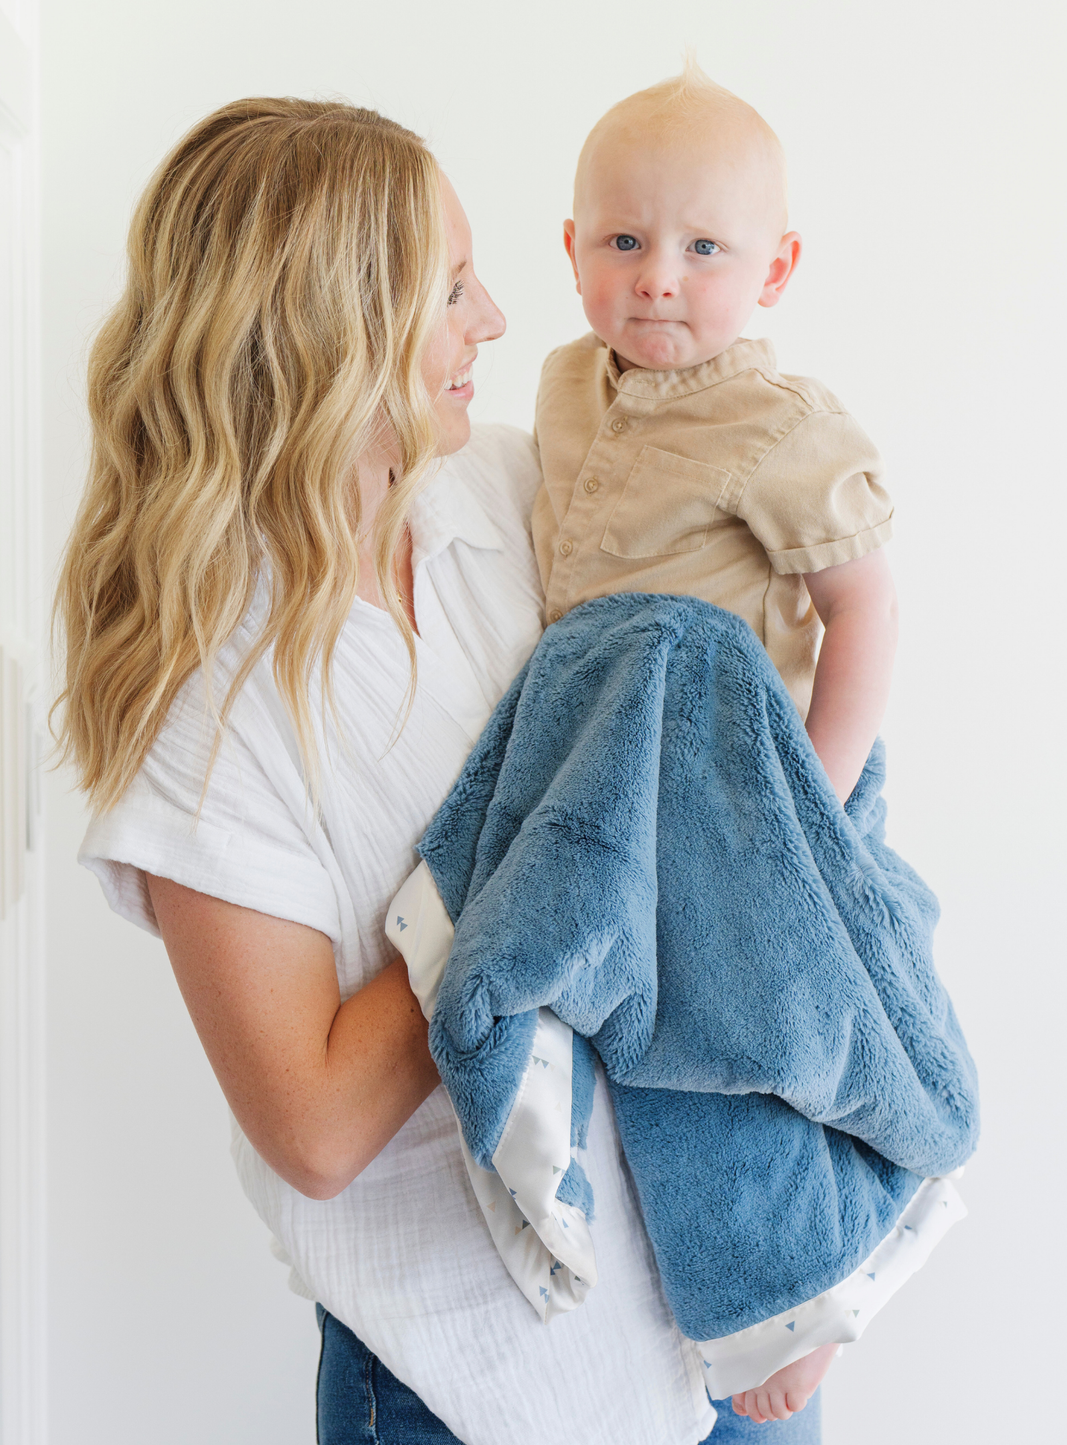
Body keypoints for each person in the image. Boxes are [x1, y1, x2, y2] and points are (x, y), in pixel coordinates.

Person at [53, 97, 774, 1443]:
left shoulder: (509, 494)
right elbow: (316, 1128)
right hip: (473, 1395)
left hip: (706, 1329)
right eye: (450, 290)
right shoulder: (209, 696)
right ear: (332, 331)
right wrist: (546, 851)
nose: (496, 319)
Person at [529, 60, 900, 1420]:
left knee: (734, 1047)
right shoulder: (569, 388)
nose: (658, 279)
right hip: (623, 777)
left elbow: (862, 611)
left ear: (778, 267)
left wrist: (817, 795)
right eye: (622, 242)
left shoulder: (778, 421)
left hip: (767, 784)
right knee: (617, 1021)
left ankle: (787, 1311)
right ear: (571, 251)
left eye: (703, 248)